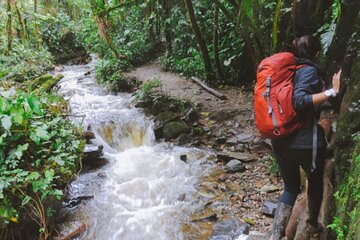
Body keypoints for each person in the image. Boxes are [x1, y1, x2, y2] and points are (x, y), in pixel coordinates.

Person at [270, 35, 341, 240]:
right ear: (317, 54)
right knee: (315, 180)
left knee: (291, 187)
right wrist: (332, 91)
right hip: (303, 142)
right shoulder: (309, 71)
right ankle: (311, 225)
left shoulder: (286, 72)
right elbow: (300, 101)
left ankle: (275, 235)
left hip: (280, 140)